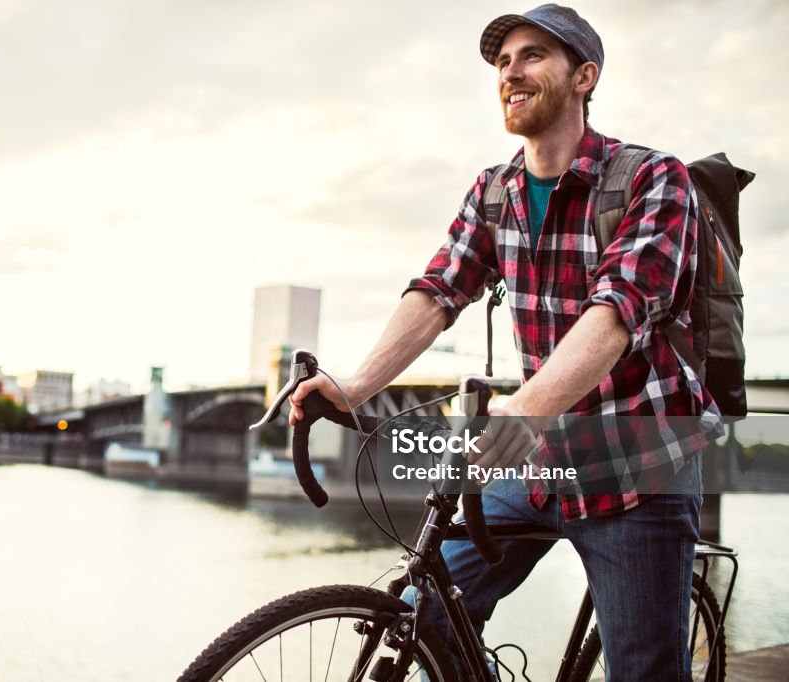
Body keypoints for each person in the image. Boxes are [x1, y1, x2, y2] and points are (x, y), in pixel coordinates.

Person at [289, 4, 718, 680]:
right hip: (543, 463)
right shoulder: (496, 191)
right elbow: (436, 291)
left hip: (641, 467)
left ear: (584, 76)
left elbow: (615, 313)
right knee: (425, 609)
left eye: (532, 56)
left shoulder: (650, 180)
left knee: (643, 670)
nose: (511, 71)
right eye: (502, 61)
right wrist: (354, 385)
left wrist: (524, 408)